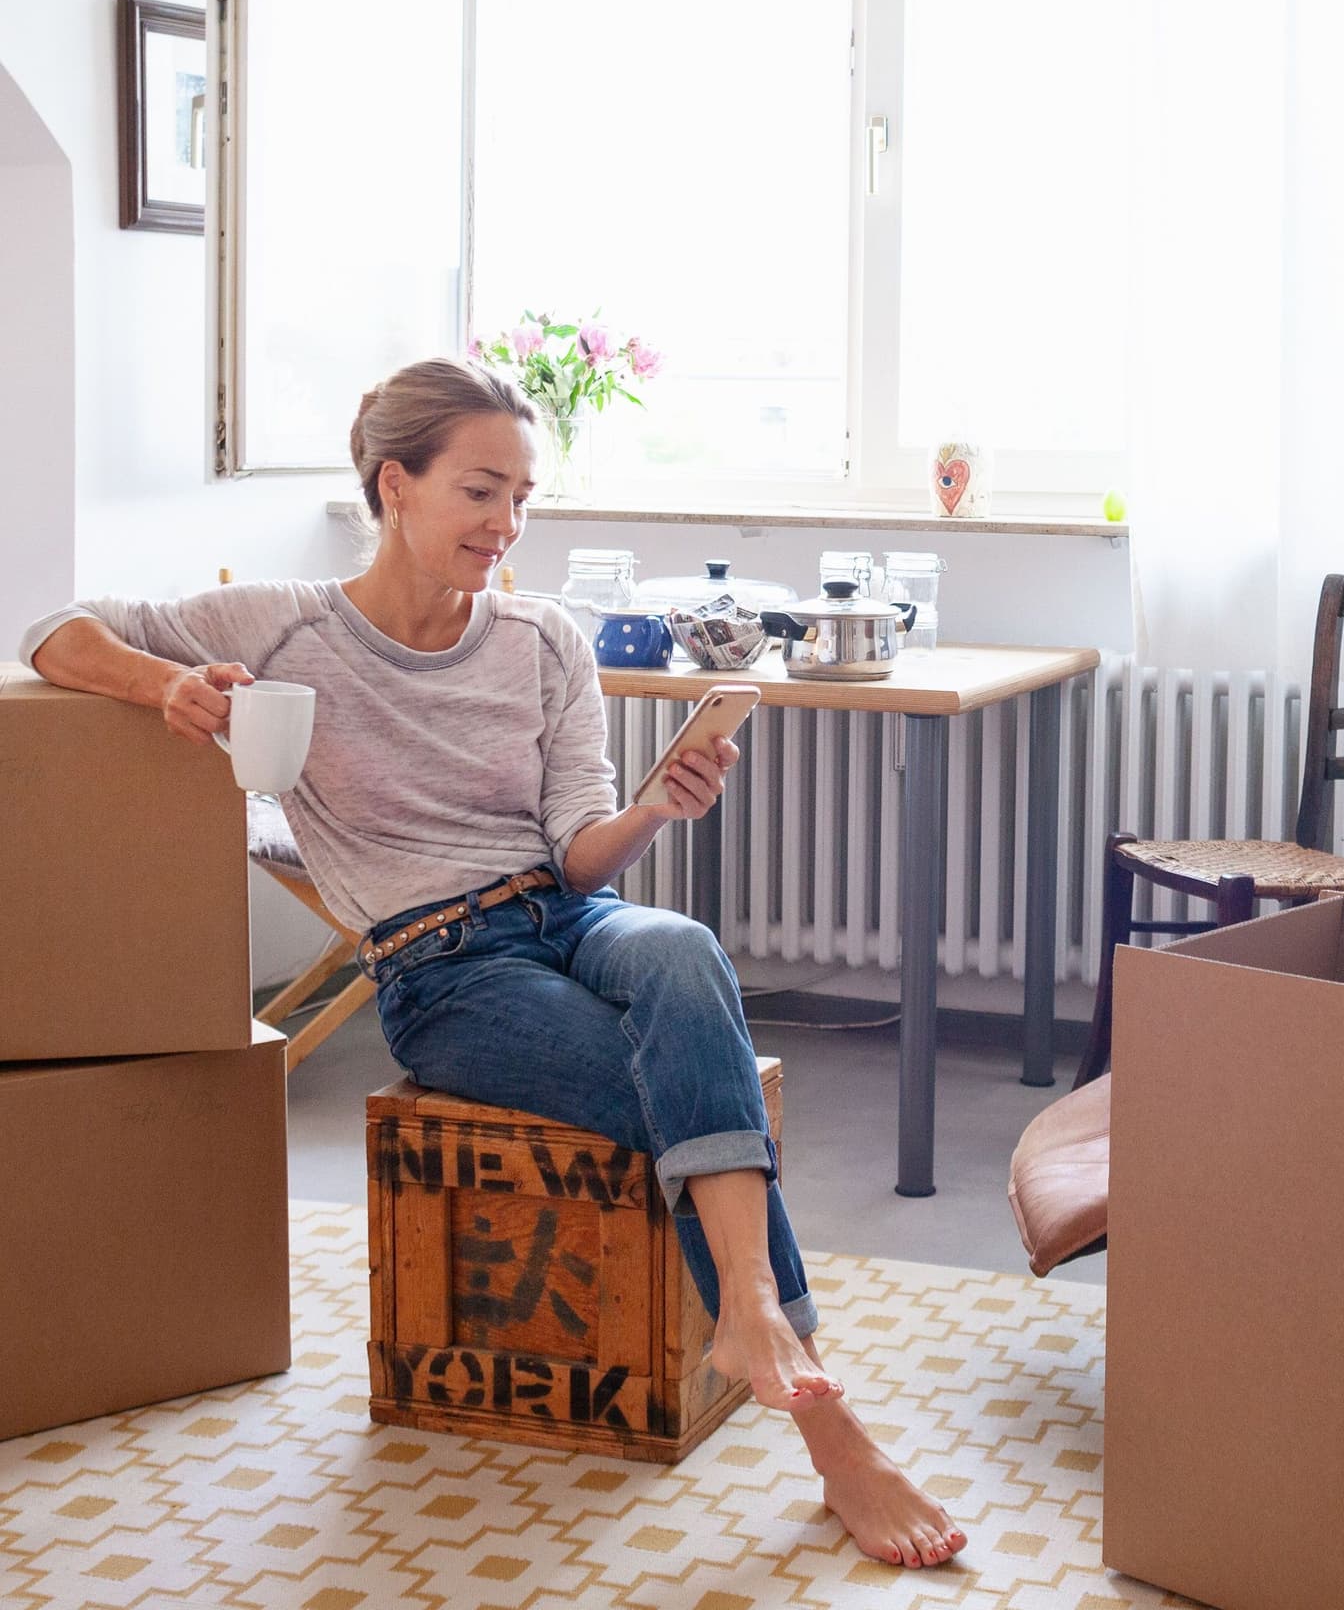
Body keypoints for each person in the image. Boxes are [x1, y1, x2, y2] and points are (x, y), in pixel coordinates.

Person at [18, 356, 966, 1572]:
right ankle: (838, 1438)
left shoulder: (543, 638)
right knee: (683, 1093)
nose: (505, 525)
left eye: (523, 496)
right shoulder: (285, 622)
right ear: (393, 485)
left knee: (680, 948)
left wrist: (661, 809)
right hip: (438, 972)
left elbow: (580, 858)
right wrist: (173, 688)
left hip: (567, 918)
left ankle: (753, 1318)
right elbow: (54, 633)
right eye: (479, 491)